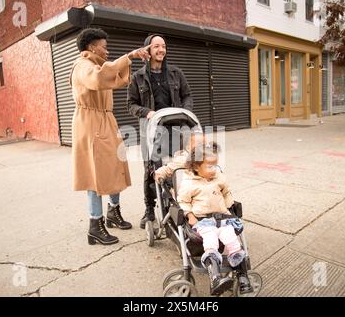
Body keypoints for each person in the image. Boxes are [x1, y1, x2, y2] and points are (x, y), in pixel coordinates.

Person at [70, 28, 151, 246]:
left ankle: (113, 212)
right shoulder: (83, 66)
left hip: (106, 121)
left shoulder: (96, 66)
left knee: (116, 166)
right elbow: (98, 79)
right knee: (94, 175)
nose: (107, 51)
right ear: (91, 47)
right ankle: (94, 226)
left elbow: (115, 79)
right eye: (104, 47)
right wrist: (130, 56)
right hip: (91, 123)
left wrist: (133, 64)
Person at [127, 34, 193, 229]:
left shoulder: (175, 73)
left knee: (175, 166)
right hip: (151, 130)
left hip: (174, 127)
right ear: (147, 49)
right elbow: (131, 104)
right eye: (156, 46)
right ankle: (149, 210)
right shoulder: (137, 77)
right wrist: (146, 112)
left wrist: (185, 111)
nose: (161, 50)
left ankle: (174, 204)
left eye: (163, 46)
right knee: (151, 170)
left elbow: (187, 95)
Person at [177, 145, 253, 295]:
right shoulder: (189, 183)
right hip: (203, 220)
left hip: (223, 218)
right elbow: (183, 201)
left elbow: (226, 191)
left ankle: (243, 276)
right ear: (197, 167)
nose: (214, 169)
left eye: (215, 165)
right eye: (209, 166)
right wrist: (190, 216)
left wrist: (229, 205)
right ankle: (215, 278)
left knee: (233, 242)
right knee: (210, 242)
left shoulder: (219, 177)